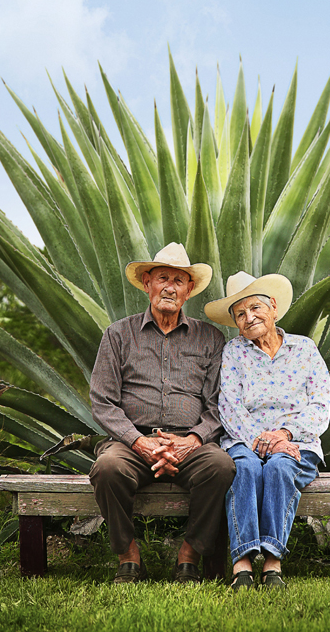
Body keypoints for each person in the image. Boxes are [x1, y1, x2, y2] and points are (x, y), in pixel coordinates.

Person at [89, 242, 235, 584]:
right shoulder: (117, 334)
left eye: (179, 280)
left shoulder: (210, 338)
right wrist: (139, 442)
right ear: (147, 284)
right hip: (132, 441)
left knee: (221, 465)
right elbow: (102, 401)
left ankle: (189, 555)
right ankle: (129, 556)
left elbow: (217, 405)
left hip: (190, 443)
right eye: (162, 278)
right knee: (108, 467)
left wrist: (192, 440)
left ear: (189, 291)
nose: (170, 286)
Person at [205, 270, 330, 591]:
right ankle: (242, 565)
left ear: (273, 307)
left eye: (255, 309)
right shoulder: (234, 352)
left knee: (279, 467)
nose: (248, 318)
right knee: (243, 468)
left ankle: (272, 564)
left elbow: (319, 406)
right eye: (240, 314)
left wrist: (284, 435)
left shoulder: (305, 349)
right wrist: (265, 442)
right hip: (245, 440)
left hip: (295, 443)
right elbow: (229, 407)